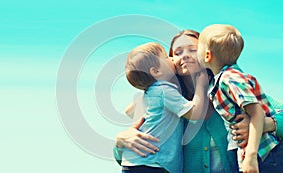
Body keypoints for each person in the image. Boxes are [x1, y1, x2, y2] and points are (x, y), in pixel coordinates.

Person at [114, 29, 283, 173]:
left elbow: (272, 114)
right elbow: (137, 158)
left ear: (208, 54)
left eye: (192, 50)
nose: (185, 56)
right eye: (177, 52)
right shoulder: (171, 105)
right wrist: (120, 143)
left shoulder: (230, 92)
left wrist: (263, 125)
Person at [197, 24, 283, 172]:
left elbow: (257, 113)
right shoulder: (220, 81)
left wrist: (250, 155)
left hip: (265, 154)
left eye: (197, 47)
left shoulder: (230, 79)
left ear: (207, 55)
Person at [120, 42, 208, 173]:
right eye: (167, 57)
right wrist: (201, 85)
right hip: (152, 163)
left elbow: (129, 111)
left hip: (135, 162)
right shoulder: (164, 90)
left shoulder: (151, 91)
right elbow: (194, 114)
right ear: (156, 71)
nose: (172, 59)